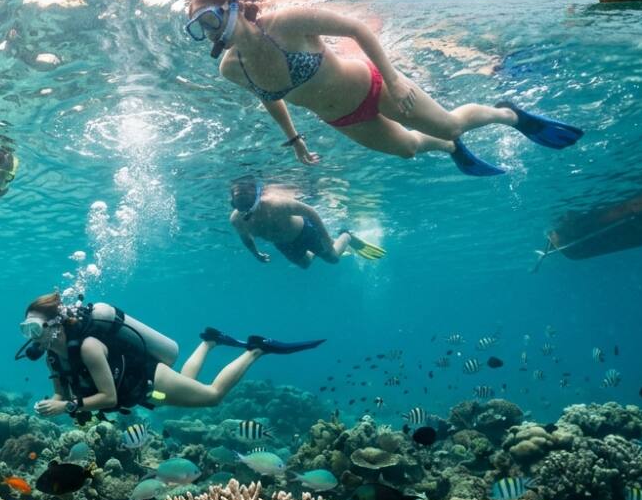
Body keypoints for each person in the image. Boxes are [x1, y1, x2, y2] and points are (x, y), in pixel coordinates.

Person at [183, 0, 583, 175]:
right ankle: (450, 150)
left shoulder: (285, 22)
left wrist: (393, 79)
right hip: (341, 119)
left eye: (211, 19)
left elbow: (357, 29)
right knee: (409, 150)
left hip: (375, 86)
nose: (211, 32)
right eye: (200, 29)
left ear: (233, 5)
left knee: (451, 123)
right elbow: (269, 97)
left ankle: (510, 114)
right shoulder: (230, 67)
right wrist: (294, 139)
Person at [19, 295, 324, 420]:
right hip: (142, 390)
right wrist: (53, 401)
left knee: (212, 397)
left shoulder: (88, 347)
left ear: (55, 323)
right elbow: (61, 391)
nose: (31, 337)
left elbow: (108, 397)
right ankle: (210, 341)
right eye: (25, 329)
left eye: (34, 328)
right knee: (187, 382)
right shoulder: (52, 356)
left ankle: (256, 349)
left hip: (152, 381)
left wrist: (68, 406)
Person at [228, 177, 385, 268]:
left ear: (257, 195)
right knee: (305, 264)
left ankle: (346, 235)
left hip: (306, 233)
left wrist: (326, 239)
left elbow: (311, 212)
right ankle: (317, 251)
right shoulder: (236, 219)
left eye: (246, 196)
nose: (243, 201)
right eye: (238, 198)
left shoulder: (276, 204)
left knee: (333, 259)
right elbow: (246, 237)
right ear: (233, 202)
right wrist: (256, 254)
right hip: (283, 244)